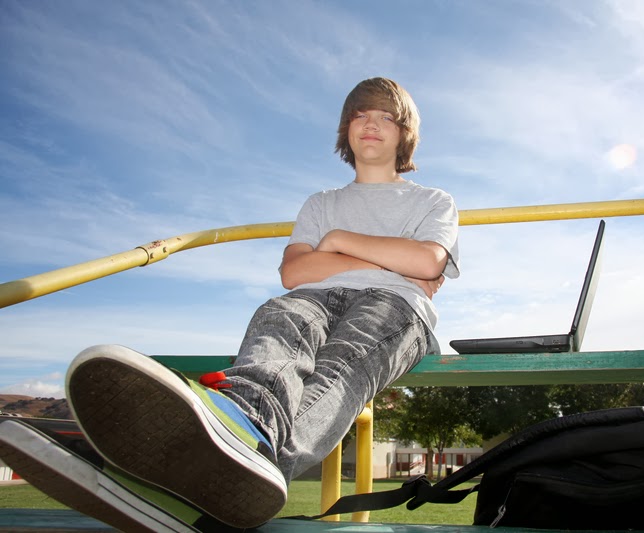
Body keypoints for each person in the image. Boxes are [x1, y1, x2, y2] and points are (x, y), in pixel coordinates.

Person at [65, 77, 460, 529]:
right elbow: (294, 273)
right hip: (314, 297)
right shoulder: (322, 203)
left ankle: (249, 464)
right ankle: (245, 426)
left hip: (394, 305)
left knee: (344, 362)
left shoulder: (432, 201)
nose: (370, 124)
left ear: (404, 134)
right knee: (279, 317)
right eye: (360, 115)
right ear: (346, 129)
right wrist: (388, 258)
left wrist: (336, 241)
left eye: (385, 117)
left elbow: (427, 262)